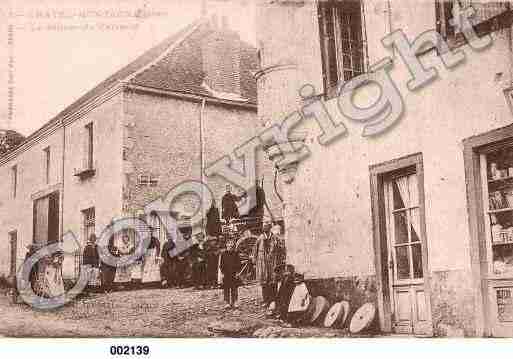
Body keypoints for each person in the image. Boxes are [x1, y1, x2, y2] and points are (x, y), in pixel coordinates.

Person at [253, 220, 284, 307]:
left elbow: (281, 250)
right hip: (262, 264)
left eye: (266, 226)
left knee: (273, 282)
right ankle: (266, 300)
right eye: (263, 227)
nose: (264, 228)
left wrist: (280, 261)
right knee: (264, 283)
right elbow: (255, 251)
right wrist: (255, 262)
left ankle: (273, 300)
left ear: (269, 228)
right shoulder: (260, 238)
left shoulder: (275, 238)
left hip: (273, 263)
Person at [219, 239, 241, 309]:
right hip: (226, 274)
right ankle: (227, 302)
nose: (230, 245)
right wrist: (222, 273)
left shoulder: (236, 253)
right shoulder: (223, 254)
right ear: (226, 245)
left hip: (234, 273)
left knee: (234, 288)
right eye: (229, 244)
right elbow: (221, 265)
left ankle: (234, 301)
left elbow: (239, 264)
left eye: (232, 244)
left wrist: (237, 272)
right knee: (226, 288)